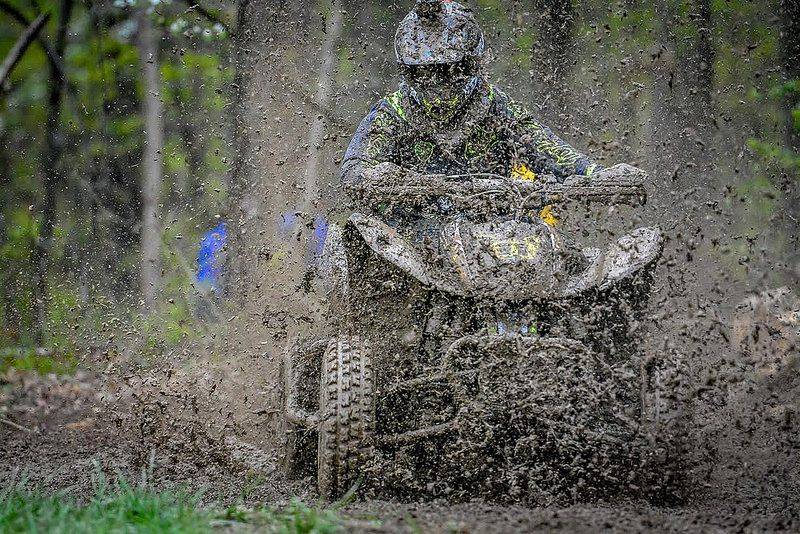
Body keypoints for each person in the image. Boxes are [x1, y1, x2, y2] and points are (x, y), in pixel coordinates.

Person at [340, 0, 603, 228]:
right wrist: (376, 176)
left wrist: (596, 173)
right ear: (407, 71)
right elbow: (355, 168)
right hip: (413, 233)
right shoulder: (392, 114)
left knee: (570, 257)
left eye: (450, 71)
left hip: (500, 226)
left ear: (474, 63)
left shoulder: (497, 106)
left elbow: (548, 149)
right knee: (364, 238)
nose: (439, 84)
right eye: (424, 73)